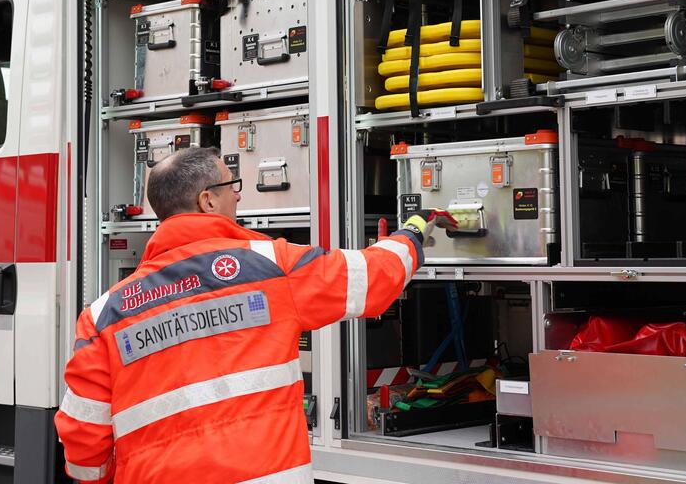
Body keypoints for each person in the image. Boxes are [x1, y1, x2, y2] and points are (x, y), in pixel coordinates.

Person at [54, 146, 456, 484]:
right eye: (232, 186)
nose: (239, 197)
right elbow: (370, 279)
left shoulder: (103, 314)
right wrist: (414, 233)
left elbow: (84, 443)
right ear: (207, 200)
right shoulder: (270, 266)